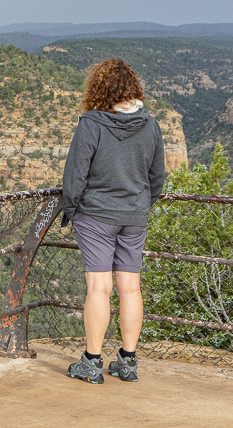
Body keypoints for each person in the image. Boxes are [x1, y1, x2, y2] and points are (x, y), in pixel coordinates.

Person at [61, 58, 165, 384]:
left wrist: (71, 209)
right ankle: (127, 361)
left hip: (96, 215)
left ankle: (92, 363)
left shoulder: (91, 124)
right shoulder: (151, 125)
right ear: (133, 89)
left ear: (99, 89)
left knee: (99, 288)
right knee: (130, 288)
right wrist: (141, 204)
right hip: (135, 215)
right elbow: (158, 178)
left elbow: (74, 176)